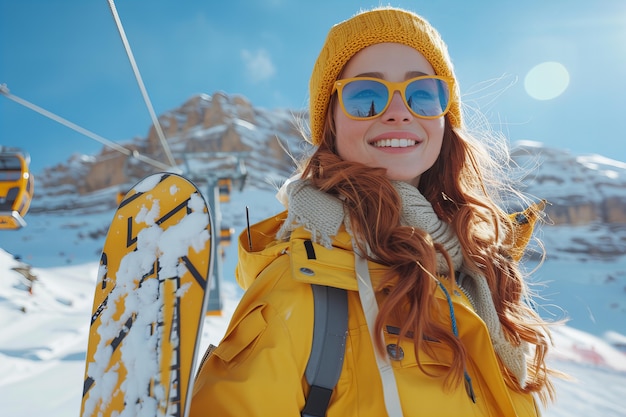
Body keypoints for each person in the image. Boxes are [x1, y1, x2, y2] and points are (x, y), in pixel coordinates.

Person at [190, 6, 557, 416]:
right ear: (330, 121)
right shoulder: (302, 287)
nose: (398, 111)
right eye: (366, 96)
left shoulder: (479, 277)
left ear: (444, 118)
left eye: (423, 94)